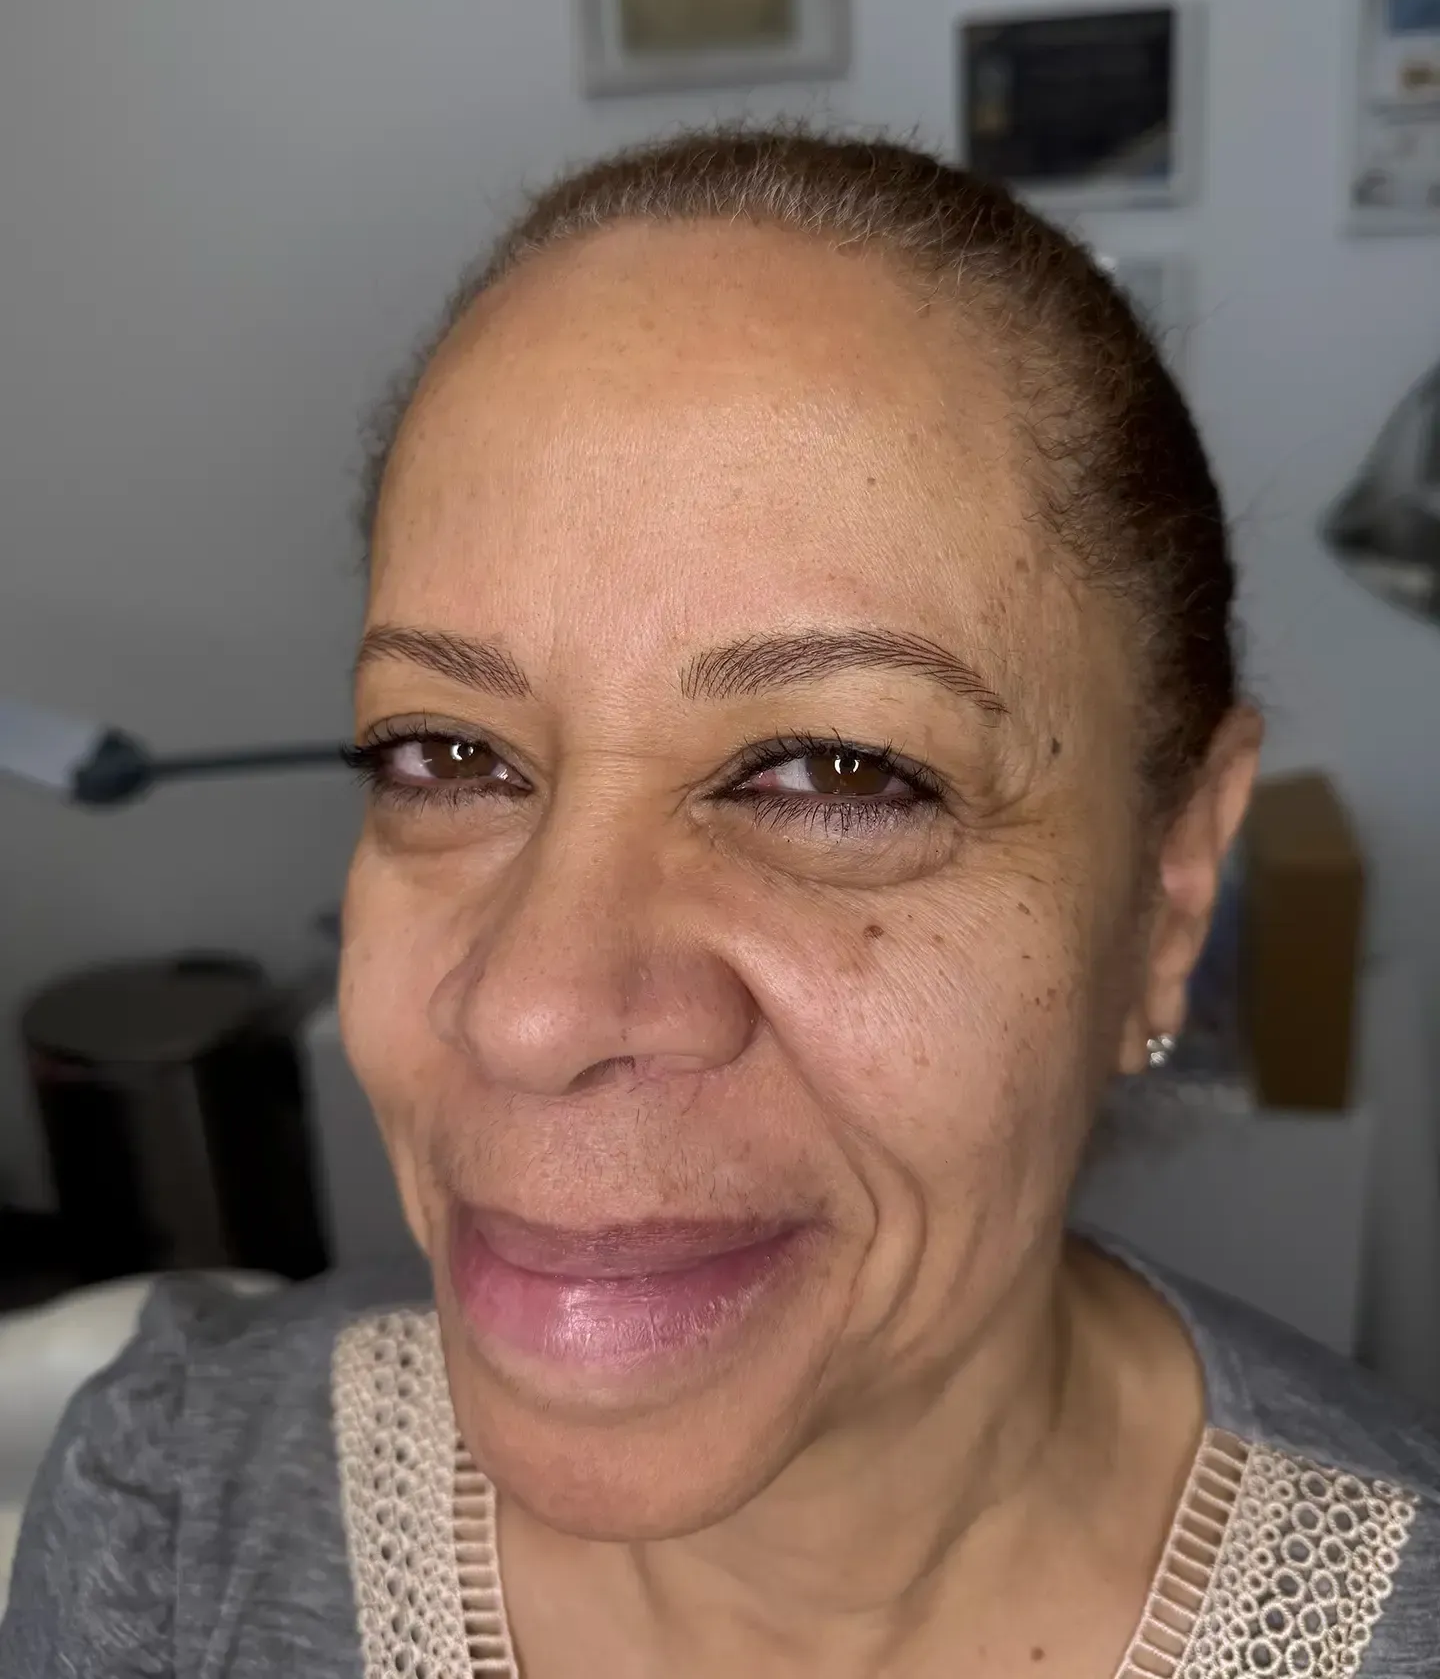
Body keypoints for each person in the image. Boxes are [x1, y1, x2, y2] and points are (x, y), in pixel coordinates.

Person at [3, 128, 1437, 1678]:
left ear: (1167, 899)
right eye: (447, 754)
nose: (529, 1008)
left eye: (839, 772)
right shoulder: (169, 1498)